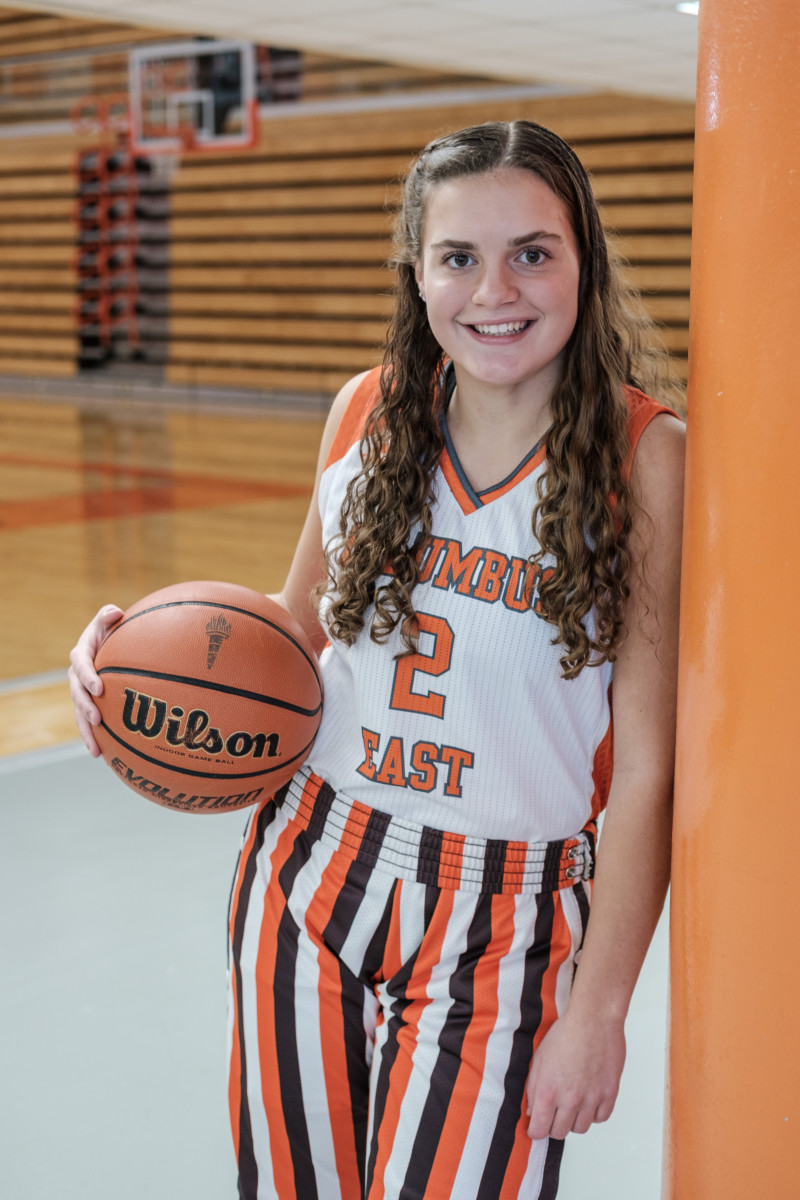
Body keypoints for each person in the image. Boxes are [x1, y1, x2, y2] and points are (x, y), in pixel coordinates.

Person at [69, 119, 685, 1200]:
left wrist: (597, 1008)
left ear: (582, 257)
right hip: (308, 869)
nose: (494, 288)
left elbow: (642, 768)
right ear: (417, 271)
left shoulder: (645, 458)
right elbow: (297, 634)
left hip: (505, 920)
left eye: (532, 251)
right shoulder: (368, 412)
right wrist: (128, 674)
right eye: (457, 256)